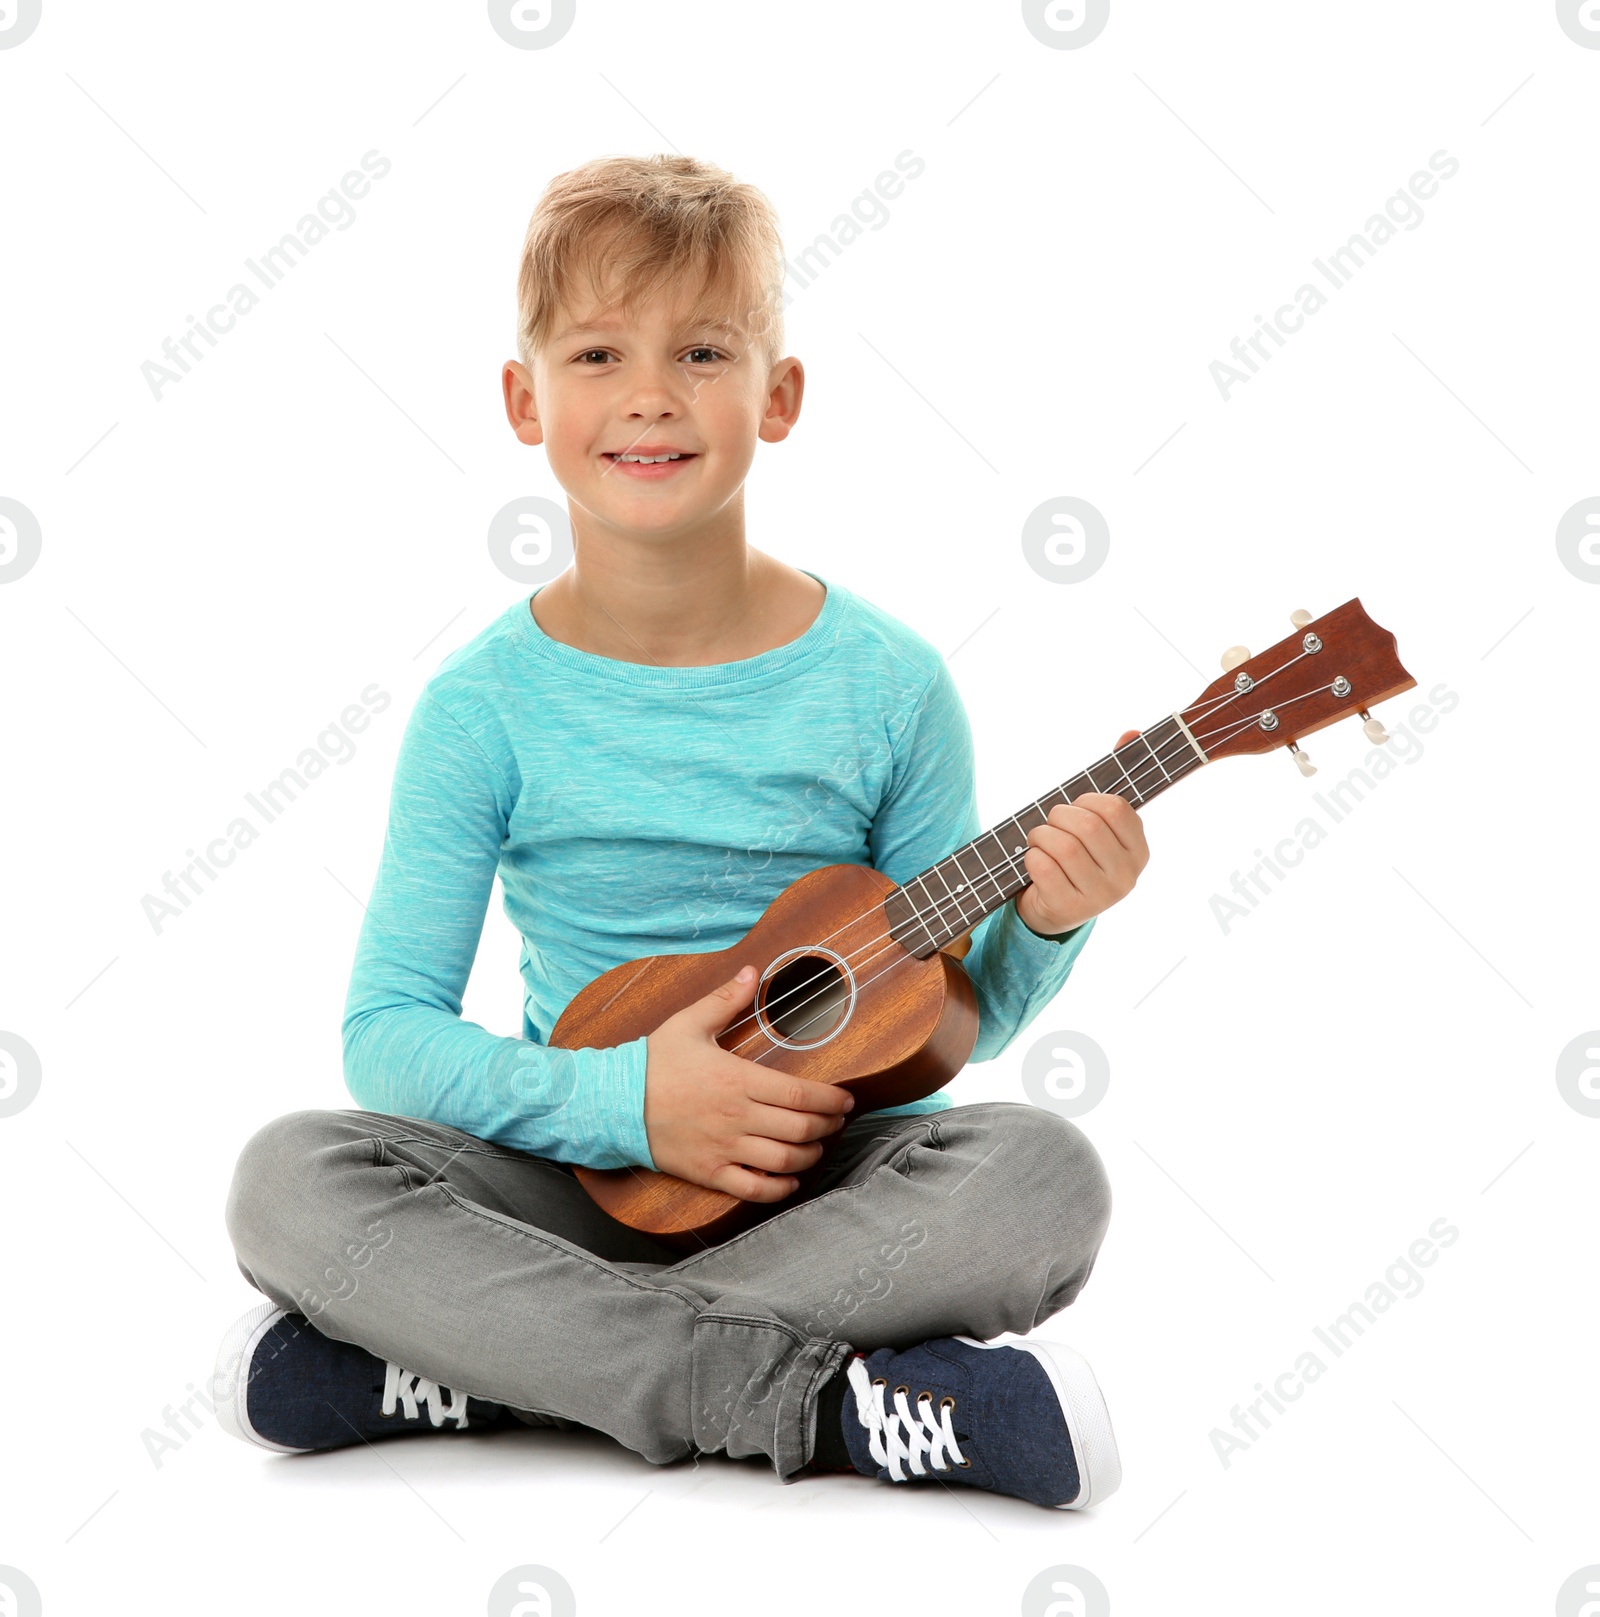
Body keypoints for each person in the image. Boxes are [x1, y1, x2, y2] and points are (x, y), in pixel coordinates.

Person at [214, 154, 1148, 1511]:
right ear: (525, 399)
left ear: (779, 394)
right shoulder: (483, 707)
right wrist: (632, 1100)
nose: (650, 392)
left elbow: (950, 1022)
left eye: (703, 350)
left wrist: (1052, 921)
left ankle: (480, 1361)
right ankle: (829, 1408)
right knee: (287, 1180)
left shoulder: (889, 686)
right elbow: (389, 1032)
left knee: (1045, 1177)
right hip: (567, 1176)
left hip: (827, 1192)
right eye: (599, 351)